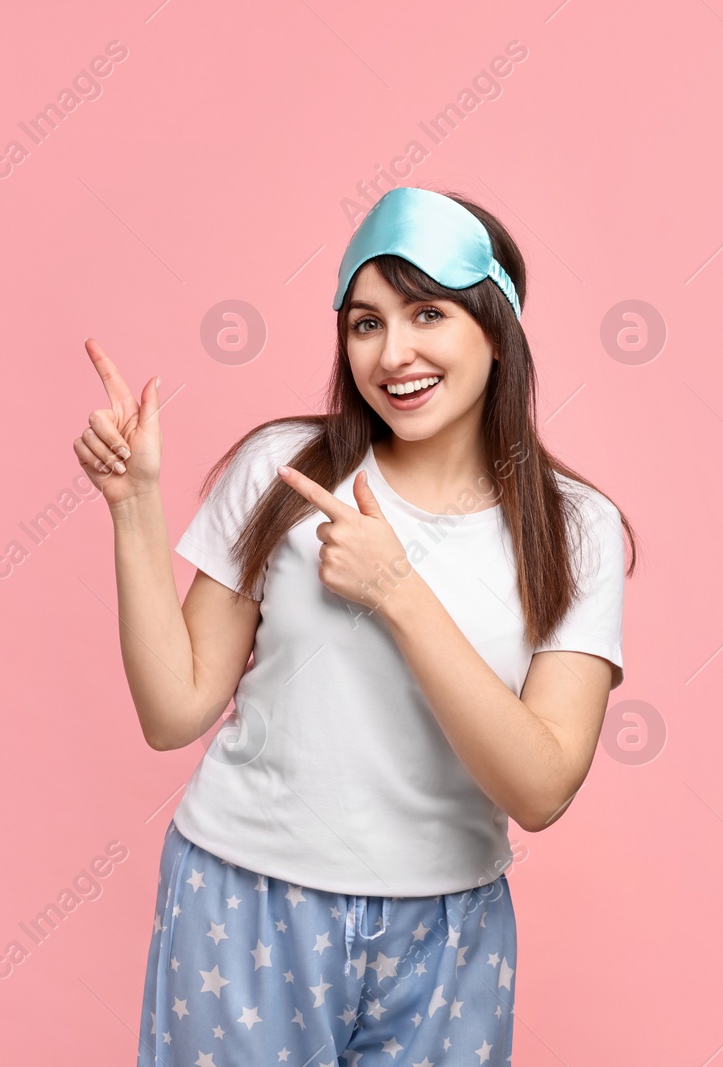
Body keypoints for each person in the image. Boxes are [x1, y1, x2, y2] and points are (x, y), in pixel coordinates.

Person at [72, 186, 636, 1066]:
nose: (393, 352)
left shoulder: (576, 528)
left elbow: (543, 787)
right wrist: (134, 505)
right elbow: (173, 709)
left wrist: (398, 590)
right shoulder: (282, 471)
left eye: (427, 313)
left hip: (447, 929)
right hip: (242, 899)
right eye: (365, 322)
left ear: (498, 325)